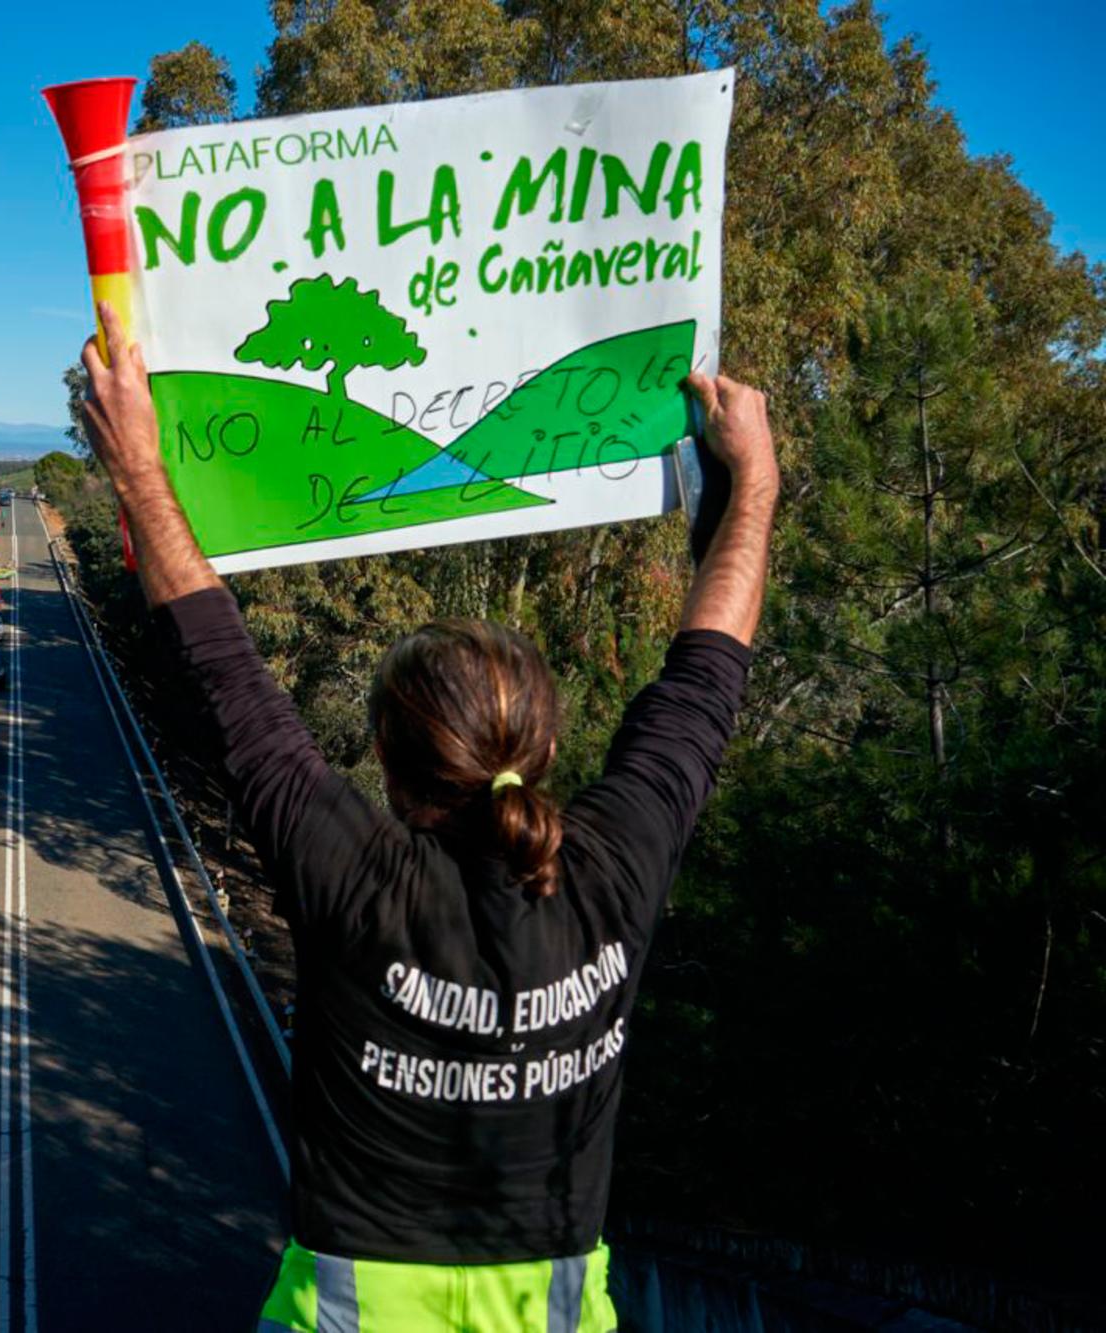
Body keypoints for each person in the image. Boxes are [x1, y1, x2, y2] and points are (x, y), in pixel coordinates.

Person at [80, 304, 777, 1332]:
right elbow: (705, 674)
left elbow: (222, 672)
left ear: (390, 764)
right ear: (539, 748)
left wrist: (139, 471)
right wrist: (753, 481)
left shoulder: (357, 879)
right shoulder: (614, 865)